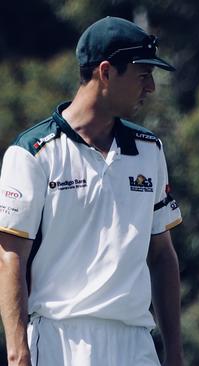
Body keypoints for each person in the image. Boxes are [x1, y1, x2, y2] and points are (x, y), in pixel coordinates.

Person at [0, 16, 183, 366]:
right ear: (106, 72)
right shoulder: (32, 152)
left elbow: (162, 256)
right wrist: (17, 351)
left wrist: (174, 351)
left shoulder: (150, 149)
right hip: (60, 340)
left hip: (136, 342)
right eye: (143, 75)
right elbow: (10, 257)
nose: (151, 88)